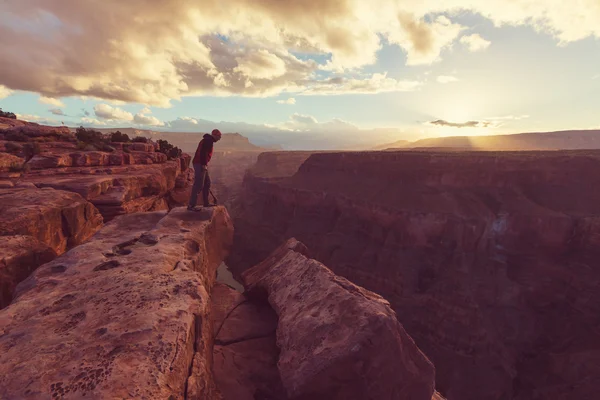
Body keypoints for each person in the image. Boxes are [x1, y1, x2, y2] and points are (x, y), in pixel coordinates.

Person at [188, 129, 222, 211]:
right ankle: (191, 206)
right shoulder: (208, 141)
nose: (219, 139)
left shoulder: (208, 140)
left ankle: (206, 203)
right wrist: (204, 164)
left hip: (201, 163)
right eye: (219, 137)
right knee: (199, 184)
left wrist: (204, 164)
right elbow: (203, 153)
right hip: (199, 164)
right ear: (215, 135)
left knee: (207, 183)